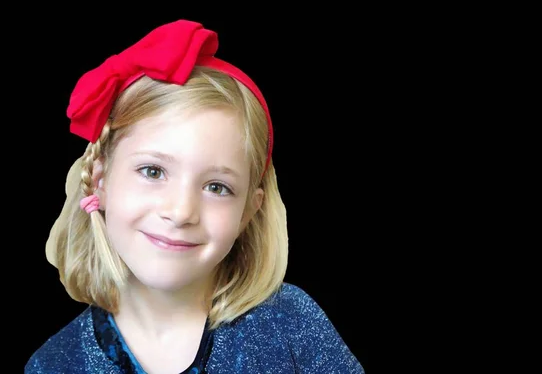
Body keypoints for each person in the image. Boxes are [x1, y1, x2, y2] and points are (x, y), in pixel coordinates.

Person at [25, 19, 364, 373]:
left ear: (249, 210)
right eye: (153, 172)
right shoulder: (53, 363)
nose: (181, 211)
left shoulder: (291, 325)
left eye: (217, 187)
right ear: (99, 183)